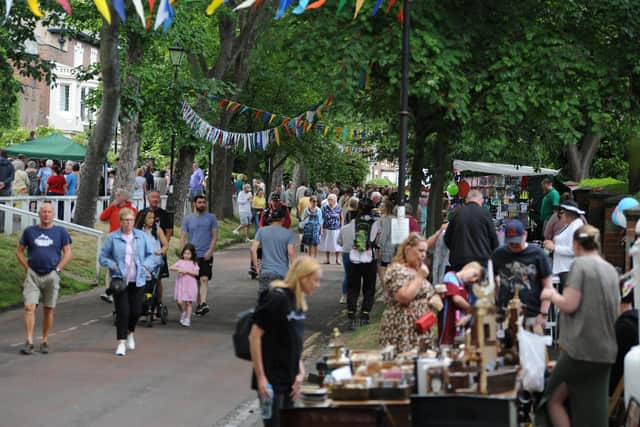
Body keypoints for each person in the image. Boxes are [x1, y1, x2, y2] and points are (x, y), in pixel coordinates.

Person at [539, 225, 619, 427]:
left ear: (576, 244)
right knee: (595, 409)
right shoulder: (610, 270)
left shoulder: (580, 265)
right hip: (606, 351)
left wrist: (550, 295)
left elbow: (569, 304)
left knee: (552, 399)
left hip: (581, 350)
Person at [249, 256, 321, 427]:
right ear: (303, 277)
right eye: (315, 280)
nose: (317, 285)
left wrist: (300, 371)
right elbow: (255, 336)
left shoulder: (298, 301)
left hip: (289, 378)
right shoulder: (277, 298)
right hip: (272, 379)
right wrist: (261, 378)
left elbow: (294, 341)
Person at [99, 208, 159, 356]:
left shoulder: (141, 236)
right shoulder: (113, 237)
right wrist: (112, 265)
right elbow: (103, 257)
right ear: (120, 222)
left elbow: (152, 255)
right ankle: (121, 342)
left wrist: (146, 266)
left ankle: (130, 332)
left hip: (138, 279)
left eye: (131, 220)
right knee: (123, 312)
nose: (129, 223)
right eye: (126, 220)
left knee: (136, 311)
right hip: (120, 280)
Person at [15, 203, 72, 354]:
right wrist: (27, 267)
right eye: (43, 212)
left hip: (51, 275)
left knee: (48, 309)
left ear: (53, 214)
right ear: (39, 214)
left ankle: (45, 340)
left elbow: (67, 252)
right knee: (29, 307)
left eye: (49, 212)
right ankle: (29, 341)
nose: (46, 214)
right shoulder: (30, 231)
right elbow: (19, 251)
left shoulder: (60, 232)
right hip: (33, 274)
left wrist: (58, 269)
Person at [378, 234, 437, 353]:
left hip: (421, 325)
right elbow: (404, 297)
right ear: (408, 250)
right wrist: (420, 277)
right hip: (402, 325)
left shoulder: (418, 270)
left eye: (425, 251)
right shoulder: (397, 270)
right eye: (420, 250)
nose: (423, 255)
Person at [493, 219, 553, 332]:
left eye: (517, 242)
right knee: (506, 348)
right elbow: (492, 281)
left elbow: (548, 287)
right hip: (505, 314)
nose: (514, 246)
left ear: (525, 234)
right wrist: (496, 305)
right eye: (511, 242)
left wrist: (543, 313)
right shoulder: (499, 254)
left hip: (532, 314)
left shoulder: (537, 255)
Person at [181, 195, 219, 316]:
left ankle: (203, 303)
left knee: (204, 278)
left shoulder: (211, 218)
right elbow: (183, 237)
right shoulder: (188, 219)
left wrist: (210, 250)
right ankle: (199, 305)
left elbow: (215, 236)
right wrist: (184, 254)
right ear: (194, 204)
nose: (202, 204)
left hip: (205, 254)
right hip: (192, 255)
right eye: (199, 202)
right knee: (195, 281)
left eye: (203, 202)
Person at [98, 189, 137, 303]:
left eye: (118, 195)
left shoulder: (131, 209)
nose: (116, 197)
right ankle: (108, 292)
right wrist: (111, 206)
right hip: (113, 240)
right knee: (111, 266)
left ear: (124, 198)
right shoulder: (114, 208)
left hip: (126, 241)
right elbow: (102, 217)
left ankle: (123, 290)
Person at [444, 189, 498, 271]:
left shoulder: (457, 213)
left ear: (466, 200)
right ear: (481, 200)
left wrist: (456, 250)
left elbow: (447, 239)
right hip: (480, 262)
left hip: (459, 262)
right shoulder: (485, 214)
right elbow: (494, 240)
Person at [345, 198, 378, 329]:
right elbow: (376, 241)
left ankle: (351, 316)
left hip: (354, 258)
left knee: (353, 288)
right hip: (370, 259)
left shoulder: (353, 222)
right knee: (369, 288)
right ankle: (364, 315)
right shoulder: (375, 223)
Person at [251, 207, 297, 294]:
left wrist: (256, 267)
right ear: (283, 219)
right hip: (282, 272)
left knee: (265, 301)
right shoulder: (288, 233)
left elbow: (253, 249)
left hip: (266, 272)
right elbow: (291, 253)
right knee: (280, 301)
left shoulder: (261, 231)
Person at [436, 261, 484, 345]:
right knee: (445, 344)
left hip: (459, 328)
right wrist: (472, 309)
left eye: (476, 281)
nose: (473, 280)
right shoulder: (450, 276)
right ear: (467, 267)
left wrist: (466, 317)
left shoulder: (467, 289)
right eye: (474, 275)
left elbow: (466, 311)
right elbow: (457, 299)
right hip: (447, 324)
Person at [543, 200, 585, 292]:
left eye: (561, 213)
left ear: (568, 213)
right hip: (565, 269)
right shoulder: (571, 225)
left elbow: (575, 250)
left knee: (569, 301)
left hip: (569, 269)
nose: (559, 216)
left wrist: (554, 247)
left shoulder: (576, 226)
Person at [145, 190, 173, 306]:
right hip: (144, 254)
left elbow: (169, 231)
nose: (155, 199)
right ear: (148, 198)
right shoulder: (142, 213)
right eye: (153, 197)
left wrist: (162, 247)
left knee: (157, 280)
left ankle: (158, 303)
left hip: (157, 252)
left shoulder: (164, 214)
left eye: (157, 197)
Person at [170, 244, 200, 327]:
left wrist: (186, 271)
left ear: (192, 254)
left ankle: (188, 319)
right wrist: (178, 269)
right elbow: (171, 267)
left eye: (189, 254)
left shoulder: (194, 263)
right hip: (181, 284)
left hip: (190, 284)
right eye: (185, 253)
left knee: (188, 303)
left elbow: (197, 273)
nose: (186, 255)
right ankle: (183, 312)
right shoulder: (180, 262)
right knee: (179, 302)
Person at [319, 193, 343, 264]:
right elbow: (322, 219)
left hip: (336, 228)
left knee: (337, 244)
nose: (330, 201)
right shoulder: (324, 208)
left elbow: (341, 217)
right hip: (327, 228)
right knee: (327, 244)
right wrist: (321, 228)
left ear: (335, 200)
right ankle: (327, 259)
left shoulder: (339, 208)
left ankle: (337, 259)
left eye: (331, 199)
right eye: (328, 199)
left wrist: (342, 227)